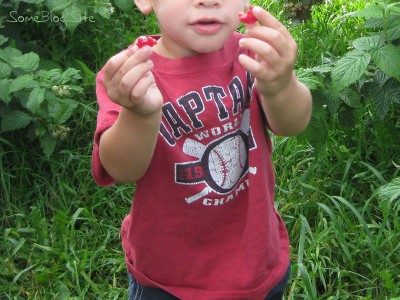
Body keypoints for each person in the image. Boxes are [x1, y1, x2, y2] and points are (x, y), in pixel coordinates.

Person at [92, 0, 312, 299]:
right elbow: (122, 169)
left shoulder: (252, 54)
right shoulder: (132, 76)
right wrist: (139, 114)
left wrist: (281, 85)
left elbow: (292, 125)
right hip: (170, 278)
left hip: (257, 258)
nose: (209, 1)